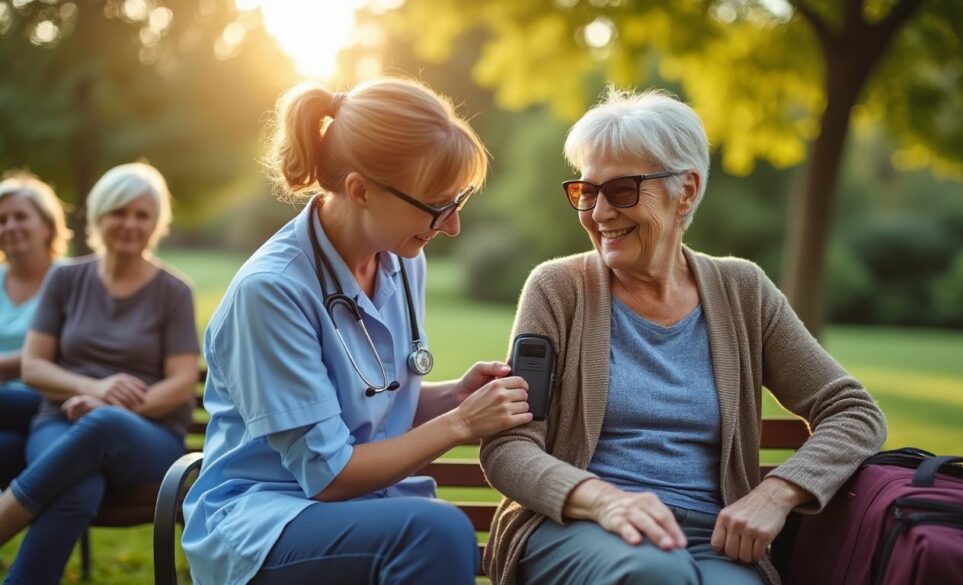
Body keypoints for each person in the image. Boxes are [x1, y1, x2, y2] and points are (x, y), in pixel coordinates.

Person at [481, 88, 888, 585]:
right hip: (581, 525)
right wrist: (604, 500)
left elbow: (853, 412)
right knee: (655, 573)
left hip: (713, 541)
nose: (600, 212)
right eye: (587, 192)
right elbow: (510, 447)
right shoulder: (558, 289)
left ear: (686, 191)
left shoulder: (743, 291)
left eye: (622, 190)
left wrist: (776, 493)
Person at [181, 77, 532, 585]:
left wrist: (456, 397)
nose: (453, 225)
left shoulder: (403, 259)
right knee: (436, 533)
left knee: (433, 531)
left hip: (365, 509)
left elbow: (372, 406)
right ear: (360, 190)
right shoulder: (272, 292)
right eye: (437, 205)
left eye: (460, 200)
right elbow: (330, 475)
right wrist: (461, 424)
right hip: (265, 522)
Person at [0, 162, 199, 585]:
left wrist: (113, 405)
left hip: (147, 434)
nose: (130, 224)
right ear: (97, 217)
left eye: (142, 214)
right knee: (79, 488)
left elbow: (181, 383)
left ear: (156, 223)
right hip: (59, 419)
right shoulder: (66, 279)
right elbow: (34, 366)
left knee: (105, 422)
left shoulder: (174, 291)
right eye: (118, 212)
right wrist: (96, 387)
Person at [0, 171, 70, 487]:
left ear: (47, 226)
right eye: (2, 220)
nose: (10, 226)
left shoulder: (72, 279)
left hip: (49, 401)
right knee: (8, 448)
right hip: (14, 422)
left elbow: (64, 349)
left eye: (20, 217)